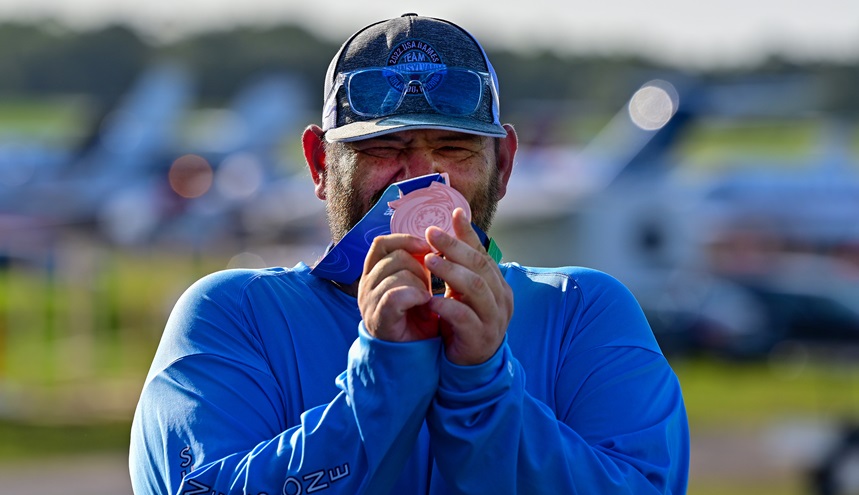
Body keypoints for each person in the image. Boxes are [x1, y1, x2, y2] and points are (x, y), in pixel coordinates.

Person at [129, 13, 690, 494]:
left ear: (506, 165)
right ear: (321, 165)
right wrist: (383, 373)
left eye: (453, 148)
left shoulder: (581, 311)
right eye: (384, 149)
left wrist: (486, 383)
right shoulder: (237, 315)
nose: (422, 179)